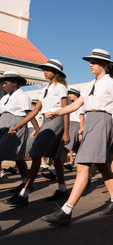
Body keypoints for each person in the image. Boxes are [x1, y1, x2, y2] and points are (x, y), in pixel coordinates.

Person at [41, 49, 113, 225]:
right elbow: (75, 105)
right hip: (92, 122)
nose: (91, 64)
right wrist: (57, 112)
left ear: (105, 64)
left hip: (104, 122)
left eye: (95, 61)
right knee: (101, 165)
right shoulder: (90, 84)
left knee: (82, 165)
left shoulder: (112, 84)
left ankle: (66, 210)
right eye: (90, 61)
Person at [4, 60, 70, 206]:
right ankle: (63, 189)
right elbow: (35, 111)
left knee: (35, 155)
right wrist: (19, 126)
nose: (44, 71)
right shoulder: (45, 88)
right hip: (47, 122)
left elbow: (66, 112)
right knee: (57, 158)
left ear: (56, 72)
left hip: (56, 121)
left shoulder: (60, 88)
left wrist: (66, 132)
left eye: (48, 69)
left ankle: (24, 194)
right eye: (44, 69)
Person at [0, 72, 39, 187]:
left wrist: (37, 129)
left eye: (6, 83)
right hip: (3, 124)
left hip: (15, 125)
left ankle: (2, 174)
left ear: (15, 83)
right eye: (3, 83)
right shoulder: (4, 98)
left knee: (12, 153)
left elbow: (29, 114)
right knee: (19, 158)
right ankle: (25, 182)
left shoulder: (22, 96)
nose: (3, 86)